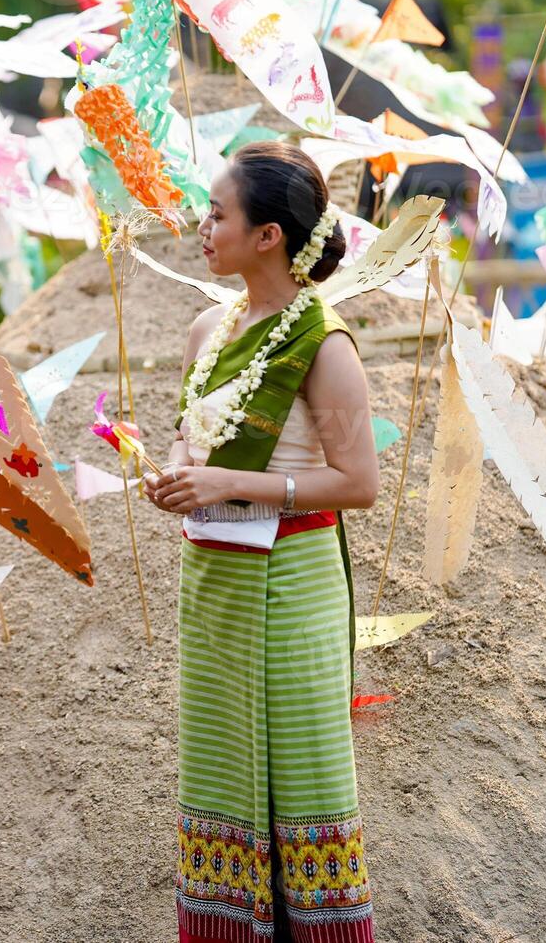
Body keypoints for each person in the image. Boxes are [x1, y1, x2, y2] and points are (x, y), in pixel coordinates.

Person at [143, 141, 379, 943]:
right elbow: (189, 439)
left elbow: (358, 483)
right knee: (222, 765)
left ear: (269, 235)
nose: (201, 228)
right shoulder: (209, 325)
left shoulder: (325, 341)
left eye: (217, 214)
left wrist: (235, 484)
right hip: (212, 573)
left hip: (293, 577)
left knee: (299, 772)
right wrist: (175, 473)